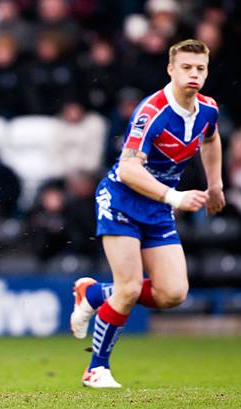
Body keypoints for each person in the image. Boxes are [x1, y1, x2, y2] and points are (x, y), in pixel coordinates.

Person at [69, 39, 225, 388]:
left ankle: (93, 295)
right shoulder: (151, 111)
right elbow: (127, 169)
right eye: (186, 67)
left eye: (200, 68)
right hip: (122, 201)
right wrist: (175, 197)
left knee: (173, 293)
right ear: (171, 69)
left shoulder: (208, 109)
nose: (194, 74)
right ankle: (97, 369)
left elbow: (212, 139)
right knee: (128, 288)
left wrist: (215, 186)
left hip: (157, 208)